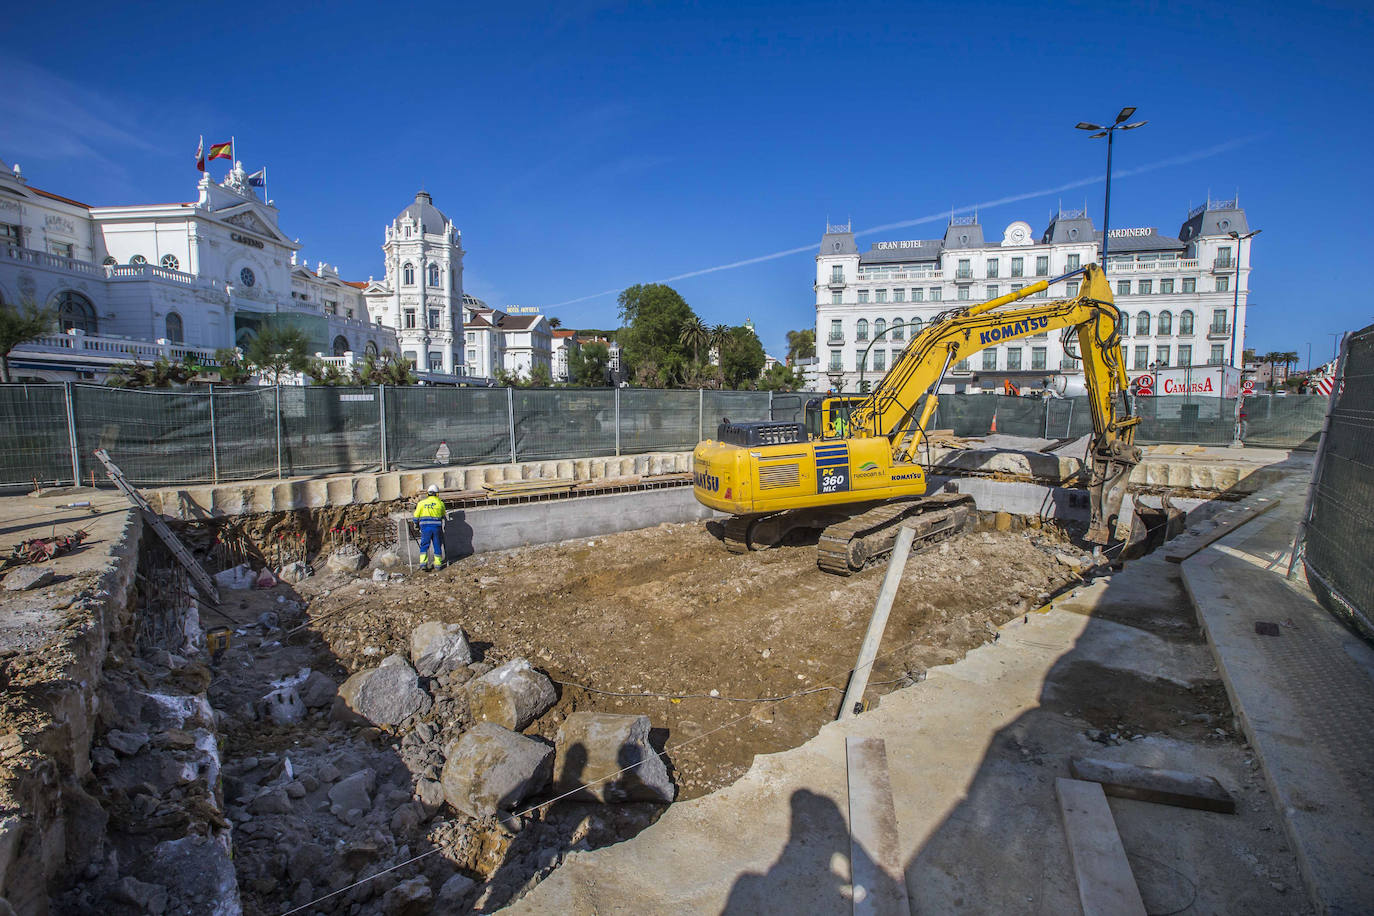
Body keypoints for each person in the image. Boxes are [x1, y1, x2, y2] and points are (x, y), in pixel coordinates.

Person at [413, 484, 446, 570]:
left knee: (424, 545)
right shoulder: (440, 503)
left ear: (428, 494)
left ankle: (423, 563)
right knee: (437, 545)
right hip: (436, 528)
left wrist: (416, 525)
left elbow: (416, 517)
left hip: (425, 528)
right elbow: (443, 515)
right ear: (437, 494)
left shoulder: (421, 503)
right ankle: (438, 564)